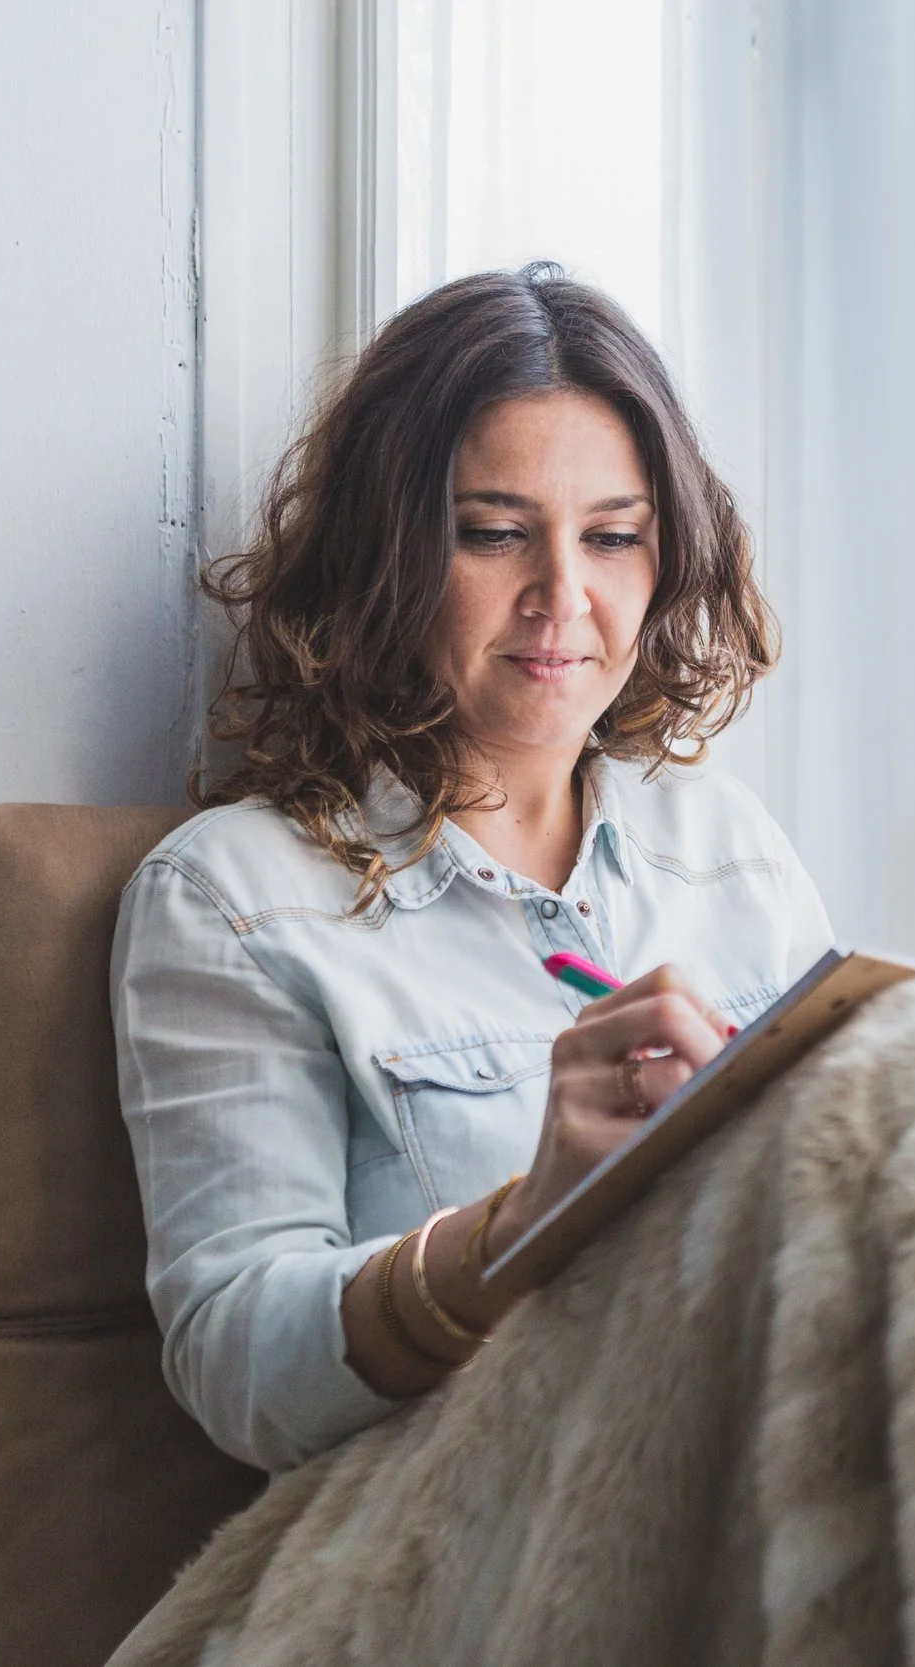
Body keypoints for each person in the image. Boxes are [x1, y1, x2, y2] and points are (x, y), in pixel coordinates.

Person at [110, 265, 833, 1471]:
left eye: (613, 537)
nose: (565, 596)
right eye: (494, 533)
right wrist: (520, 1217)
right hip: (479, 1527)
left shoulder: (730, 853)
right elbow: (234, 1362)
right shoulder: (234, 899)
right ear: (385, 553)